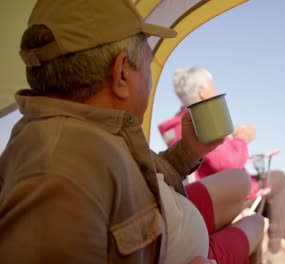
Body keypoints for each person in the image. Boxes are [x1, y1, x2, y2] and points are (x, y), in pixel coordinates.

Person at [0, 1, 265, 263]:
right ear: (122, 74)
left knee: (243, 194)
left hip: (168, 220)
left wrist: (187, 152)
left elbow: (135, 172)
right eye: (147, 64)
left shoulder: (91, 130)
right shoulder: (55, 174)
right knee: (255, 224)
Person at [159, 66, 285, 263]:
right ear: (203, 92)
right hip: (219, 192)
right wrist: (241, 140)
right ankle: (276, 248)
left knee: (268, 192)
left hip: (200, 195)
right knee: (276, 181)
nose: (214, 90)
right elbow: (228, 163)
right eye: (212, 87)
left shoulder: (179, 124)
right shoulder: (201, 120)